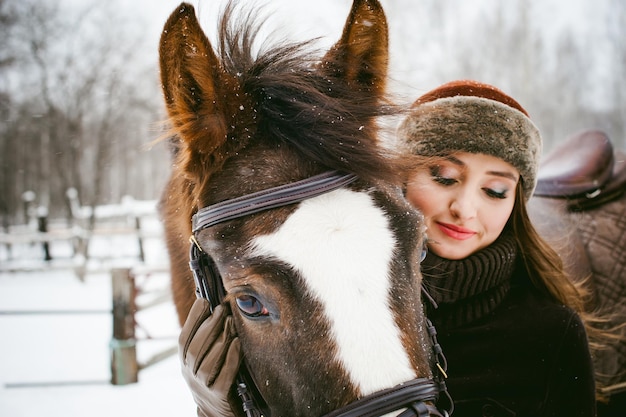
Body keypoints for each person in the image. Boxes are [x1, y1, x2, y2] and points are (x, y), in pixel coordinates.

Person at [178, 80, 599, 417]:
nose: (465, 209)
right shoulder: (337, 305)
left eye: (495, 190)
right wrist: (218, 410)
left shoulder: (550, 335)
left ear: (515, 206)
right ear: (396, 180)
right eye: (445, 177)